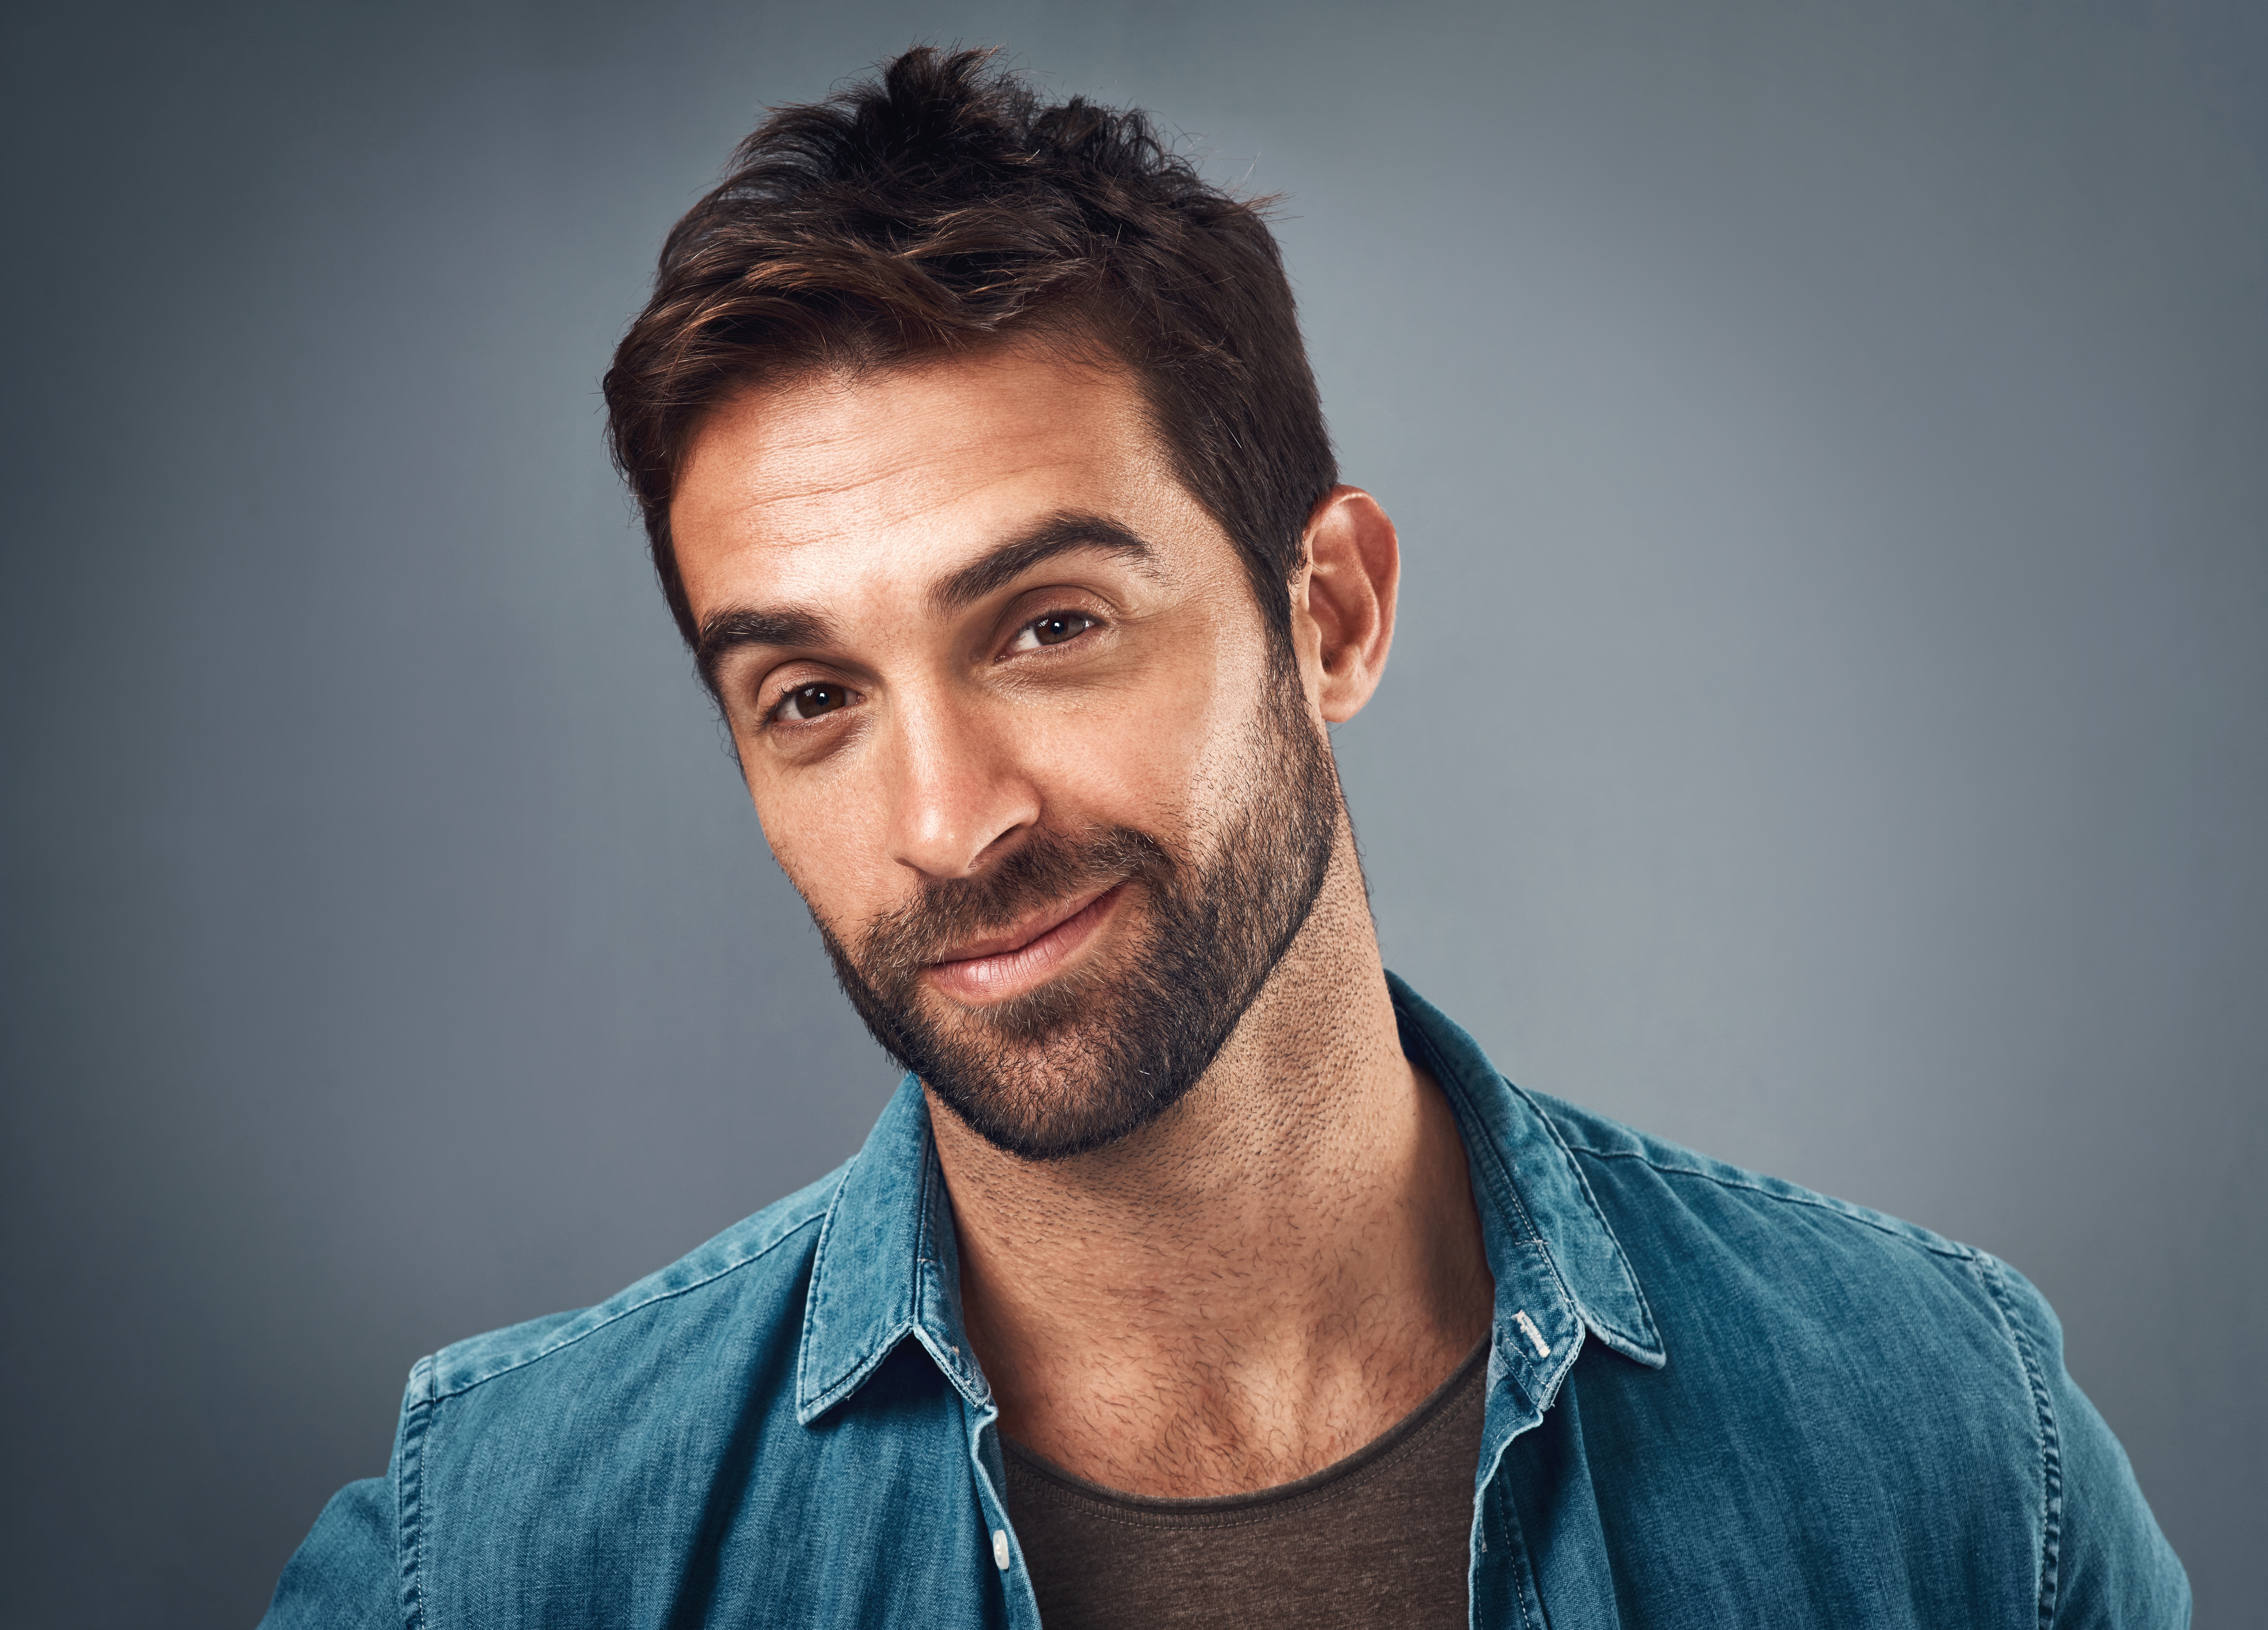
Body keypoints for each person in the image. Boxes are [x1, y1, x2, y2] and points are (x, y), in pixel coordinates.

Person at [262, 46, 2188, 1630]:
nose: (946, 825)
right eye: (813, 698)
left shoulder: (1940, 1439)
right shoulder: (506, 1552)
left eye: (1048, 625)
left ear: (1328, 612)